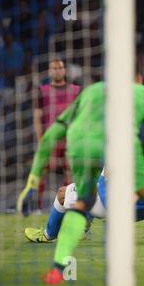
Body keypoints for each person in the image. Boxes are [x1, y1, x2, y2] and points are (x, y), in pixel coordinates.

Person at [17, 79, 144, 285]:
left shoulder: (92, 101)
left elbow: (51, 137)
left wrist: (34, 176)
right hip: (131, 211)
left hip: (104, 200)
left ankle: (49, 240)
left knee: (66, 194)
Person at [24, 135, 144, 243]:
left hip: (109, 201)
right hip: (129, 216)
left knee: (62, 194)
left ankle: (47, 235)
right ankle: (86, 219)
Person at [33, 59, 81, 210]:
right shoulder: (42, 90)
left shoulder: (76, 90)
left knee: (70, 173)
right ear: (49, 71)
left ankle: (68, 206)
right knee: (42, 171)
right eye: (53, 68)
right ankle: (37, 208)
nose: (57, 71)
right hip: (50, 139)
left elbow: (81, 116)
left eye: (59, 68)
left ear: (65, 70)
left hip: (69, 139)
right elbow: (37, 116)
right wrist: (40, 139)